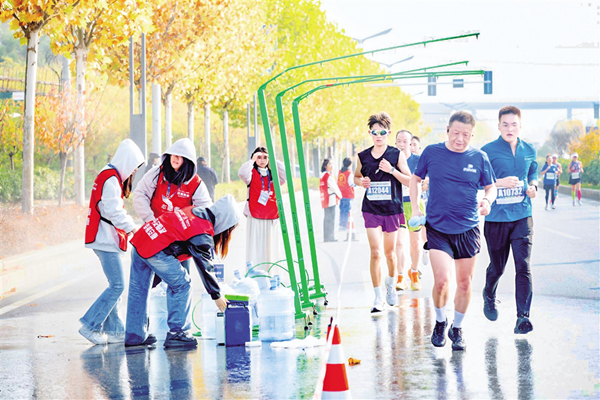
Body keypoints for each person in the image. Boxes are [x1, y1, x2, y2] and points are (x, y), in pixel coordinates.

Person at [409, 111, 497, 351]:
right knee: (441, 281)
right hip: (438, 227)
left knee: (465, 283)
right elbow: (415, 180)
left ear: (472, 135)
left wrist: (487, 201)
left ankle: (457, 328)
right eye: (456, 133)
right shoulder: (431, 152)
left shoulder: (479, 157)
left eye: (466, 135)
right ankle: (440, 321)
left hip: (468, 229)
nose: (460, 139)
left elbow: (491, 187)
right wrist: (416, 208)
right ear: (447, 130)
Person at [125, 195, 240, 348]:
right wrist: (216, 295)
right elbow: (205, 267)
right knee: (182, 284)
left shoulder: (196, 211)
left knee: (139, 290)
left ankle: (135, 336)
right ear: (225, 222)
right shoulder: (203, 231)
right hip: (155, 249)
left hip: (143, 236)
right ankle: (178, 333)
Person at [81, 139, 145, 345]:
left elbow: (112, 209)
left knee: (115, 285)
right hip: (105, 239)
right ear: (127, 161)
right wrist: (133, 228)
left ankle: (115, 331)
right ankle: (90, 325)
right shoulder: (111, 179)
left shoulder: (108, 174)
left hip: (104, 237)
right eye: (134, 166)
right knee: (117, 285)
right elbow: (113, 211)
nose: (134, 171)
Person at [481, 106, 538, 336]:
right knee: (498, 267)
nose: (510, 128)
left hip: (522, 215)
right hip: (496, 219)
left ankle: (523, 317)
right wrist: (499, 183)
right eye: (505, 124)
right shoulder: (487, 151)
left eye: (514, 124)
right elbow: (477, 180)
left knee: (523, 265)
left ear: (520, 126)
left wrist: (533, 186)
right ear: (499, 126)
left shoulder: (529, 150)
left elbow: (532, 172)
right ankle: (489, 293)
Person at [354, 112, 413, 313]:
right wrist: (361, 182)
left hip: (392, 210)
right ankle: (378, 297)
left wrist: (392, 170)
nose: (378, 136)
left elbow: (410, 180)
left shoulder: (396, 155)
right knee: (376, 253)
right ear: (369, 133)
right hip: (371, 209)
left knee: (390, 254)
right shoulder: (362, 156)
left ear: (388, 133)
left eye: (382, 132)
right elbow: (356, 177)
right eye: (374, 132)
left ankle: (391, 284)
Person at [133, 138, 212, 281]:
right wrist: (150, 220)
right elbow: (140, 193)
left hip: (179, 239)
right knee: (155, 280)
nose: (176, 158)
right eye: (174, 154)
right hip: (156, 233)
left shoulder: (195, 183)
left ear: (188, 160)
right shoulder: (157, 173)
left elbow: (205, 210)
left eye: (181, 156)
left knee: (182, 281)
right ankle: (156, 295)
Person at [238, 146, 286, 266]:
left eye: (265, 157)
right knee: (256, 247)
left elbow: (285, 176)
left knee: (271, 247)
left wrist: (274, 160)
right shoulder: (251, 174)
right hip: (255, 216)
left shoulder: (274, 175)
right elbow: (242, 173)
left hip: (271, 215)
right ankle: (256, 271)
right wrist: (252, 160)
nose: (262, 160)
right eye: (259, 157)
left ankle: (271, 272)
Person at [394, 130, 425, 291]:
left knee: (415, 242)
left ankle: (414, 271)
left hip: (414, 205)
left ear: (411, 143)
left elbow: (427, 180)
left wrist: (424, 184)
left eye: (405, 141)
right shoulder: (392, 160)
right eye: (399, 141)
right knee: (399, 242)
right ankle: (400, 277)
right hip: (397, 205)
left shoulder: (418, 160)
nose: (402, 144)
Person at [410, 135, 430, 266]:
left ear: (419, 147)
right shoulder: (403, 160)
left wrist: (424, 182)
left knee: (424, 227)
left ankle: (426, 248)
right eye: (410, 144)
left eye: (414, 145)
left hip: (425, 200)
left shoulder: (423, 161)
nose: (412, 147)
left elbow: (429, 177)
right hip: (408, 201)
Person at [320, 158, 342, 242]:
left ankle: (326, 237)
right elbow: (335, 188)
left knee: (326, 218)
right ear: (325, 166)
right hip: (331, 199)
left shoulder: (322, 175)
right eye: (329, 164)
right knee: (331, 218)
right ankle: (331, 236)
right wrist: (340, 196)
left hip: (325, 199)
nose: (331, 165)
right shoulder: (328, 176)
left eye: (332, 164)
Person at [337, 157, 355, 233]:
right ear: (350, 164)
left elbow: (338, 181)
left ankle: (341, 225)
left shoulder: (340, 172)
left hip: (341, 194)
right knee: (347, 210)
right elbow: (351, 183)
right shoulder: (349, 172)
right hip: (348, 195)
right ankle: (345, 225)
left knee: (342, 210)